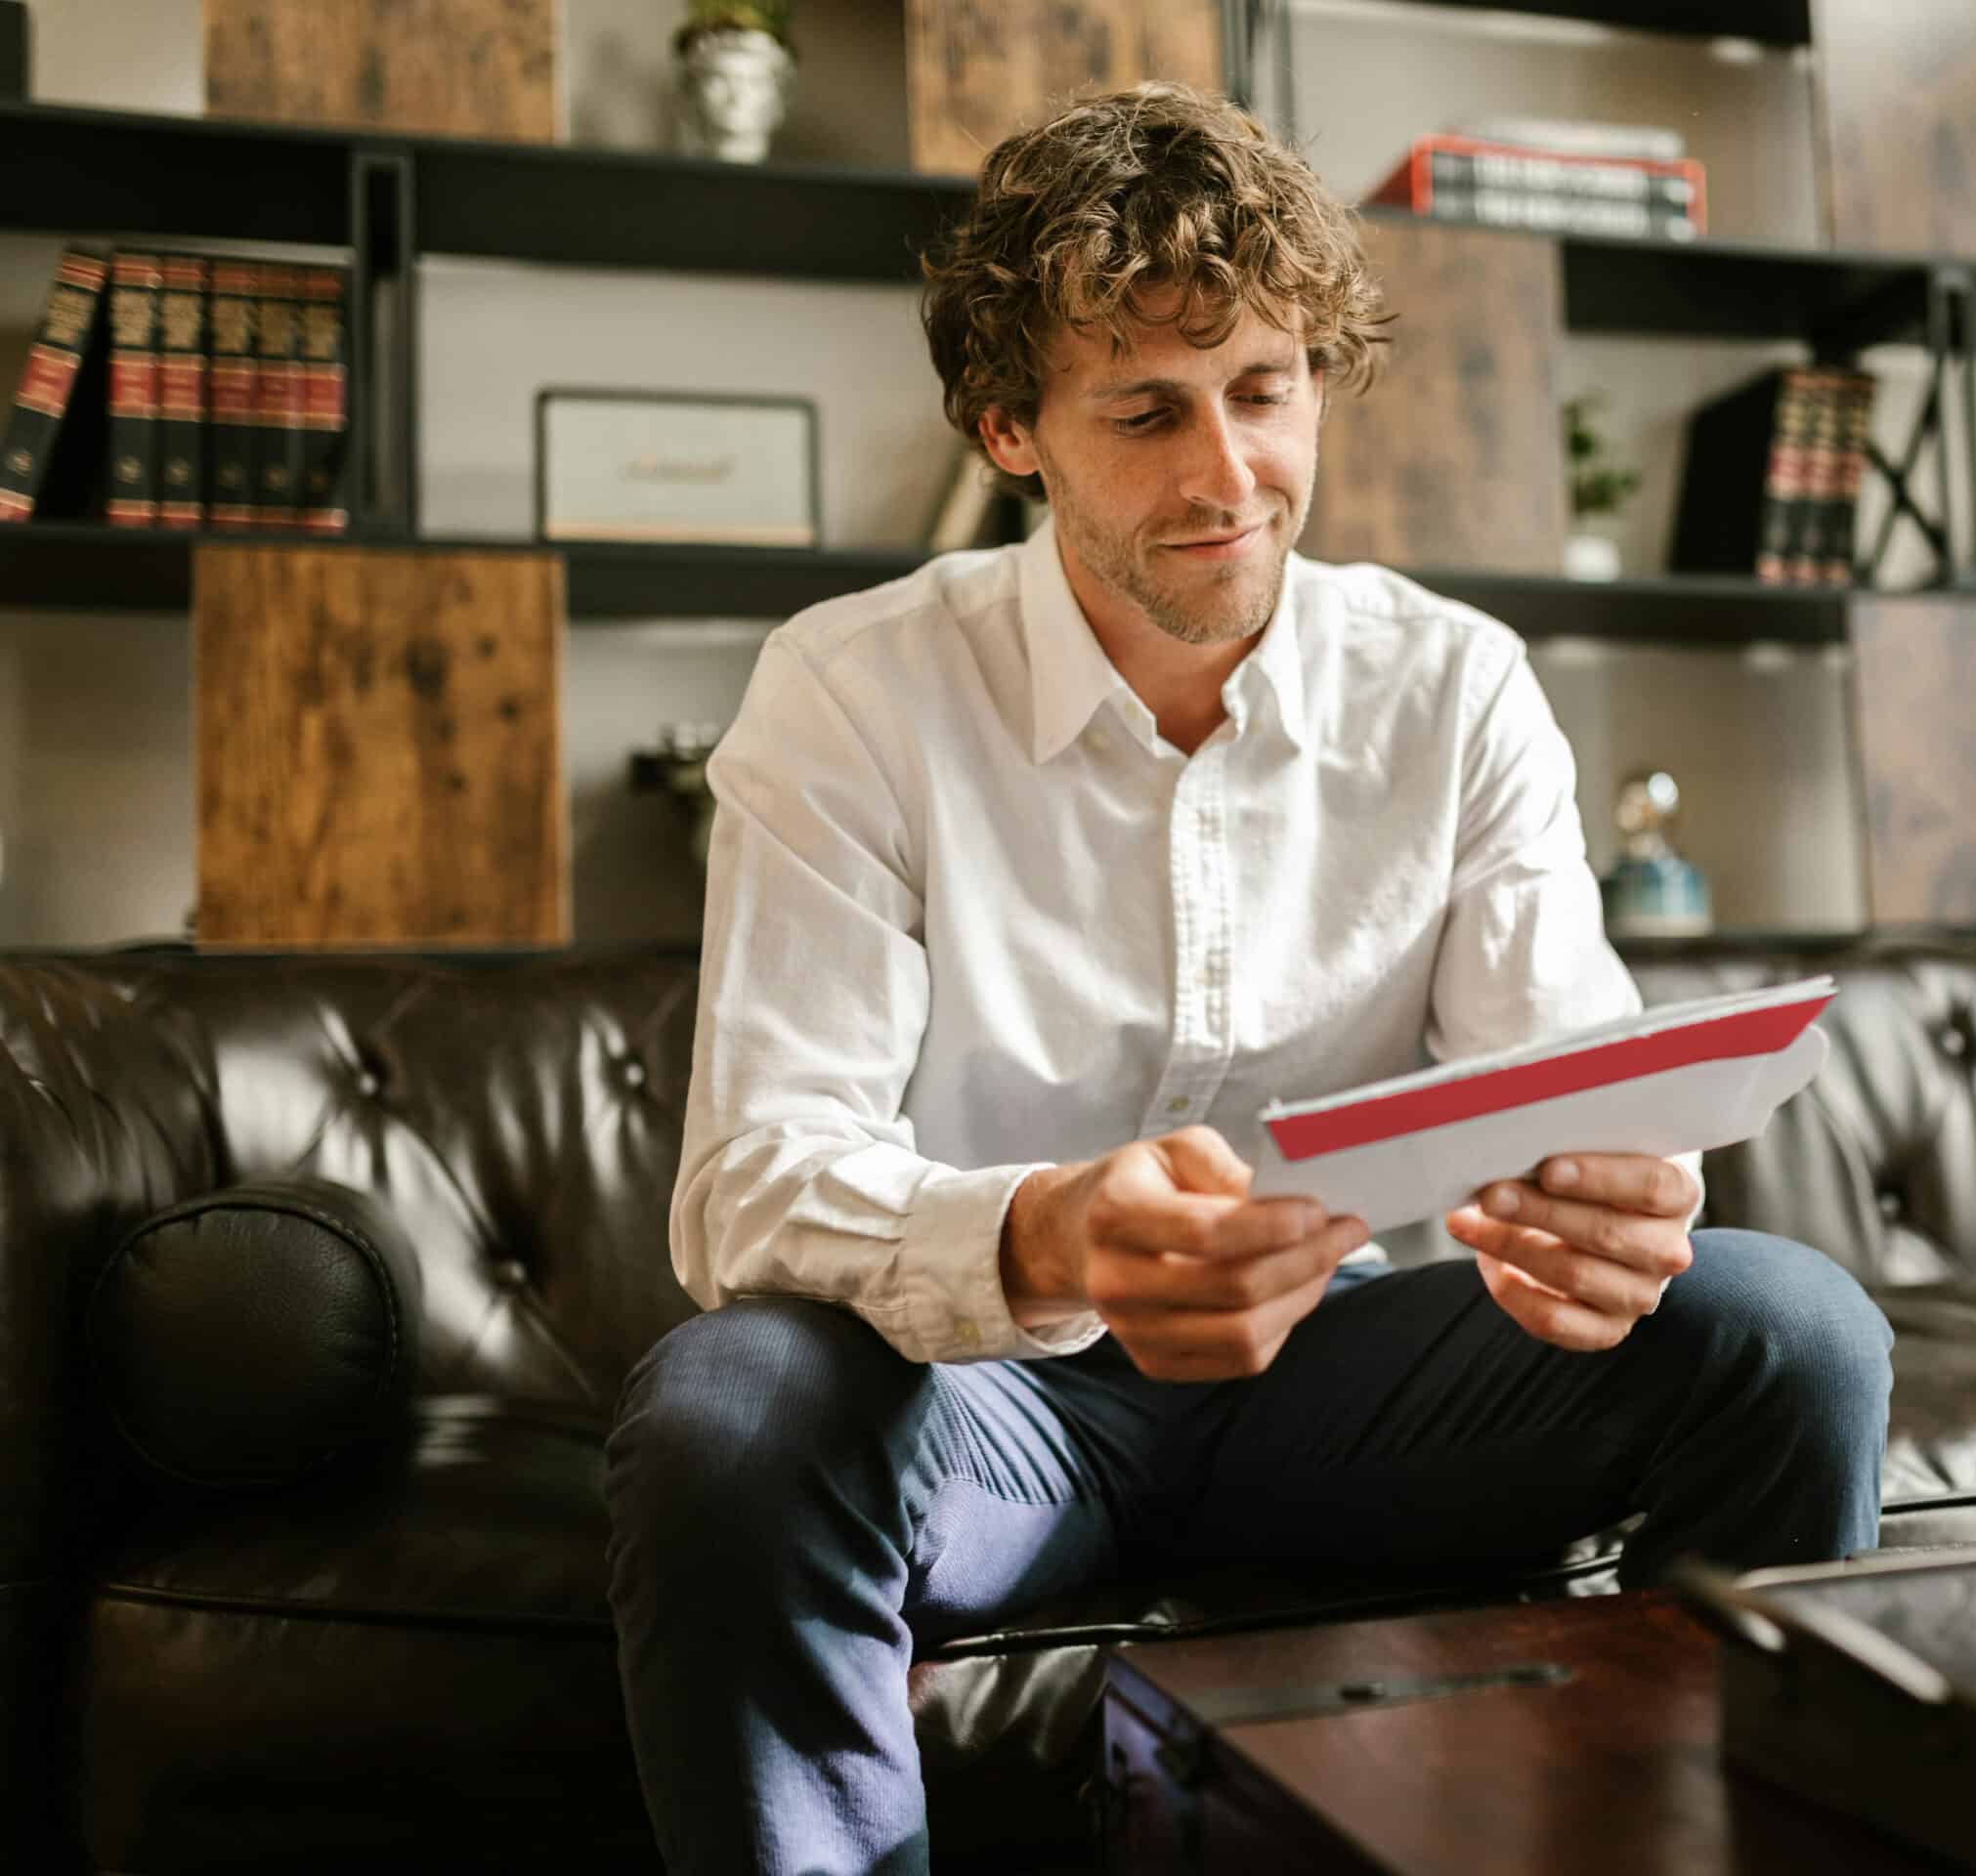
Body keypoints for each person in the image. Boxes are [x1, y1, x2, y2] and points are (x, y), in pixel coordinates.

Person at [603, 79, 1893, 1876]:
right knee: (729, 1404)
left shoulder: (1454, 687)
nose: (1229, 477)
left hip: (1358, 1385)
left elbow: (1563, 1079)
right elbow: (753, 1185)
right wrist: (1056, 1233)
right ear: (1012, 430)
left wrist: (1610, 1203)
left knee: (1790, 1329)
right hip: (1000, 1404)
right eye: (1146, 411)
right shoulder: (851, 693)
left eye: (1265, 393)